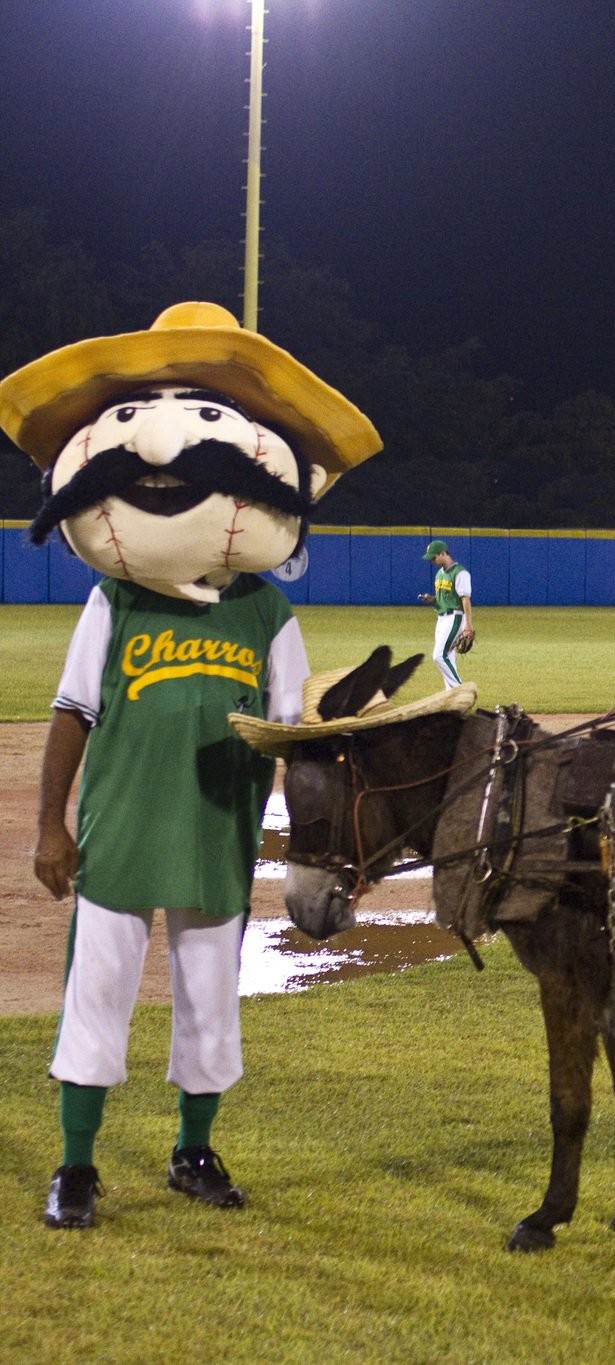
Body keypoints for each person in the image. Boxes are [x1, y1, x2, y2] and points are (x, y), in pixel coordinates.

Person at [2, 302, 381, 1230]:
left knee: (212, 1010)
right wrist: (52, 826)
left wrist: (335, 833)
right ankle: (78, 1166)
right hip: (119, 838)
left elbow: (297, 739)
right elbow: (70, 713)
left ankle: (193, 1150)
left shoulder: (265, 616)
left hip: (218, 837)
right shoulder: (115, 601)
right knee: (94, 1006)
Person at [418, 539, 475, 688]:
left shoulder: (460, 573)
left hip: (455, 618)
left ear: (443, 553)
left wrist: (468, 625)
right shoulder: (439, 574)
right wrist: (432, 599)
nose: (432, 560)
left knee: (438, 656)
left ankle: (460, 690)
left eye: (434, 557)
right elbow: (445, 597)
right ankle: (452, 698)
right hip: (441, 619)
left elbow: (465, 600)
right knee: (448, 657)